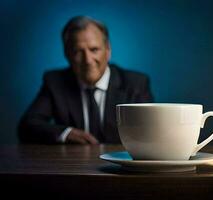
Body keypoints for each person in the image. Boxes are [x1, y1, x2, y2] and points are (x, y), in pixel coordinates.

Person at [18, 16, 153, 144]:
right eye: (78, 51)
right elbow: (27, 126)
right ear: (67, 54)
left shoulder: (136, 84)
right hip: (71, 165)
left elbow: (151, 131)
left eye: (94, 50)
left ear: (108, 50)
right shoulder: (54, 82)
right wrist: (66, 133)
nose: (87, 60)